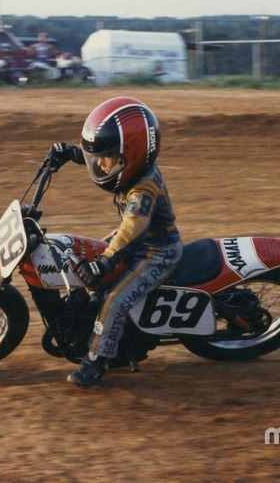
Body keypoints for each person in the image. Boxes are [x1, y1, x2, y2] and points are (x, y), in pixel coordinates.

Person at [47, 97, 183, 388]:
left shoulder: (143, 189)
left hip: (156, 251)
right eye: (98, 157)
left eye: (107, 158)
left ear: (130, 158)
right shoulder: (131, 168)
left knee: (115, 300)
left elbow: (133, 227)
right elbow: (128, 229)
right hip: (137, 240)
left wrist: (106, 262)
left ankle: (96, 362)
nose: (100, 164)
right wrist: (72, 153)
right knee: (80, 258)